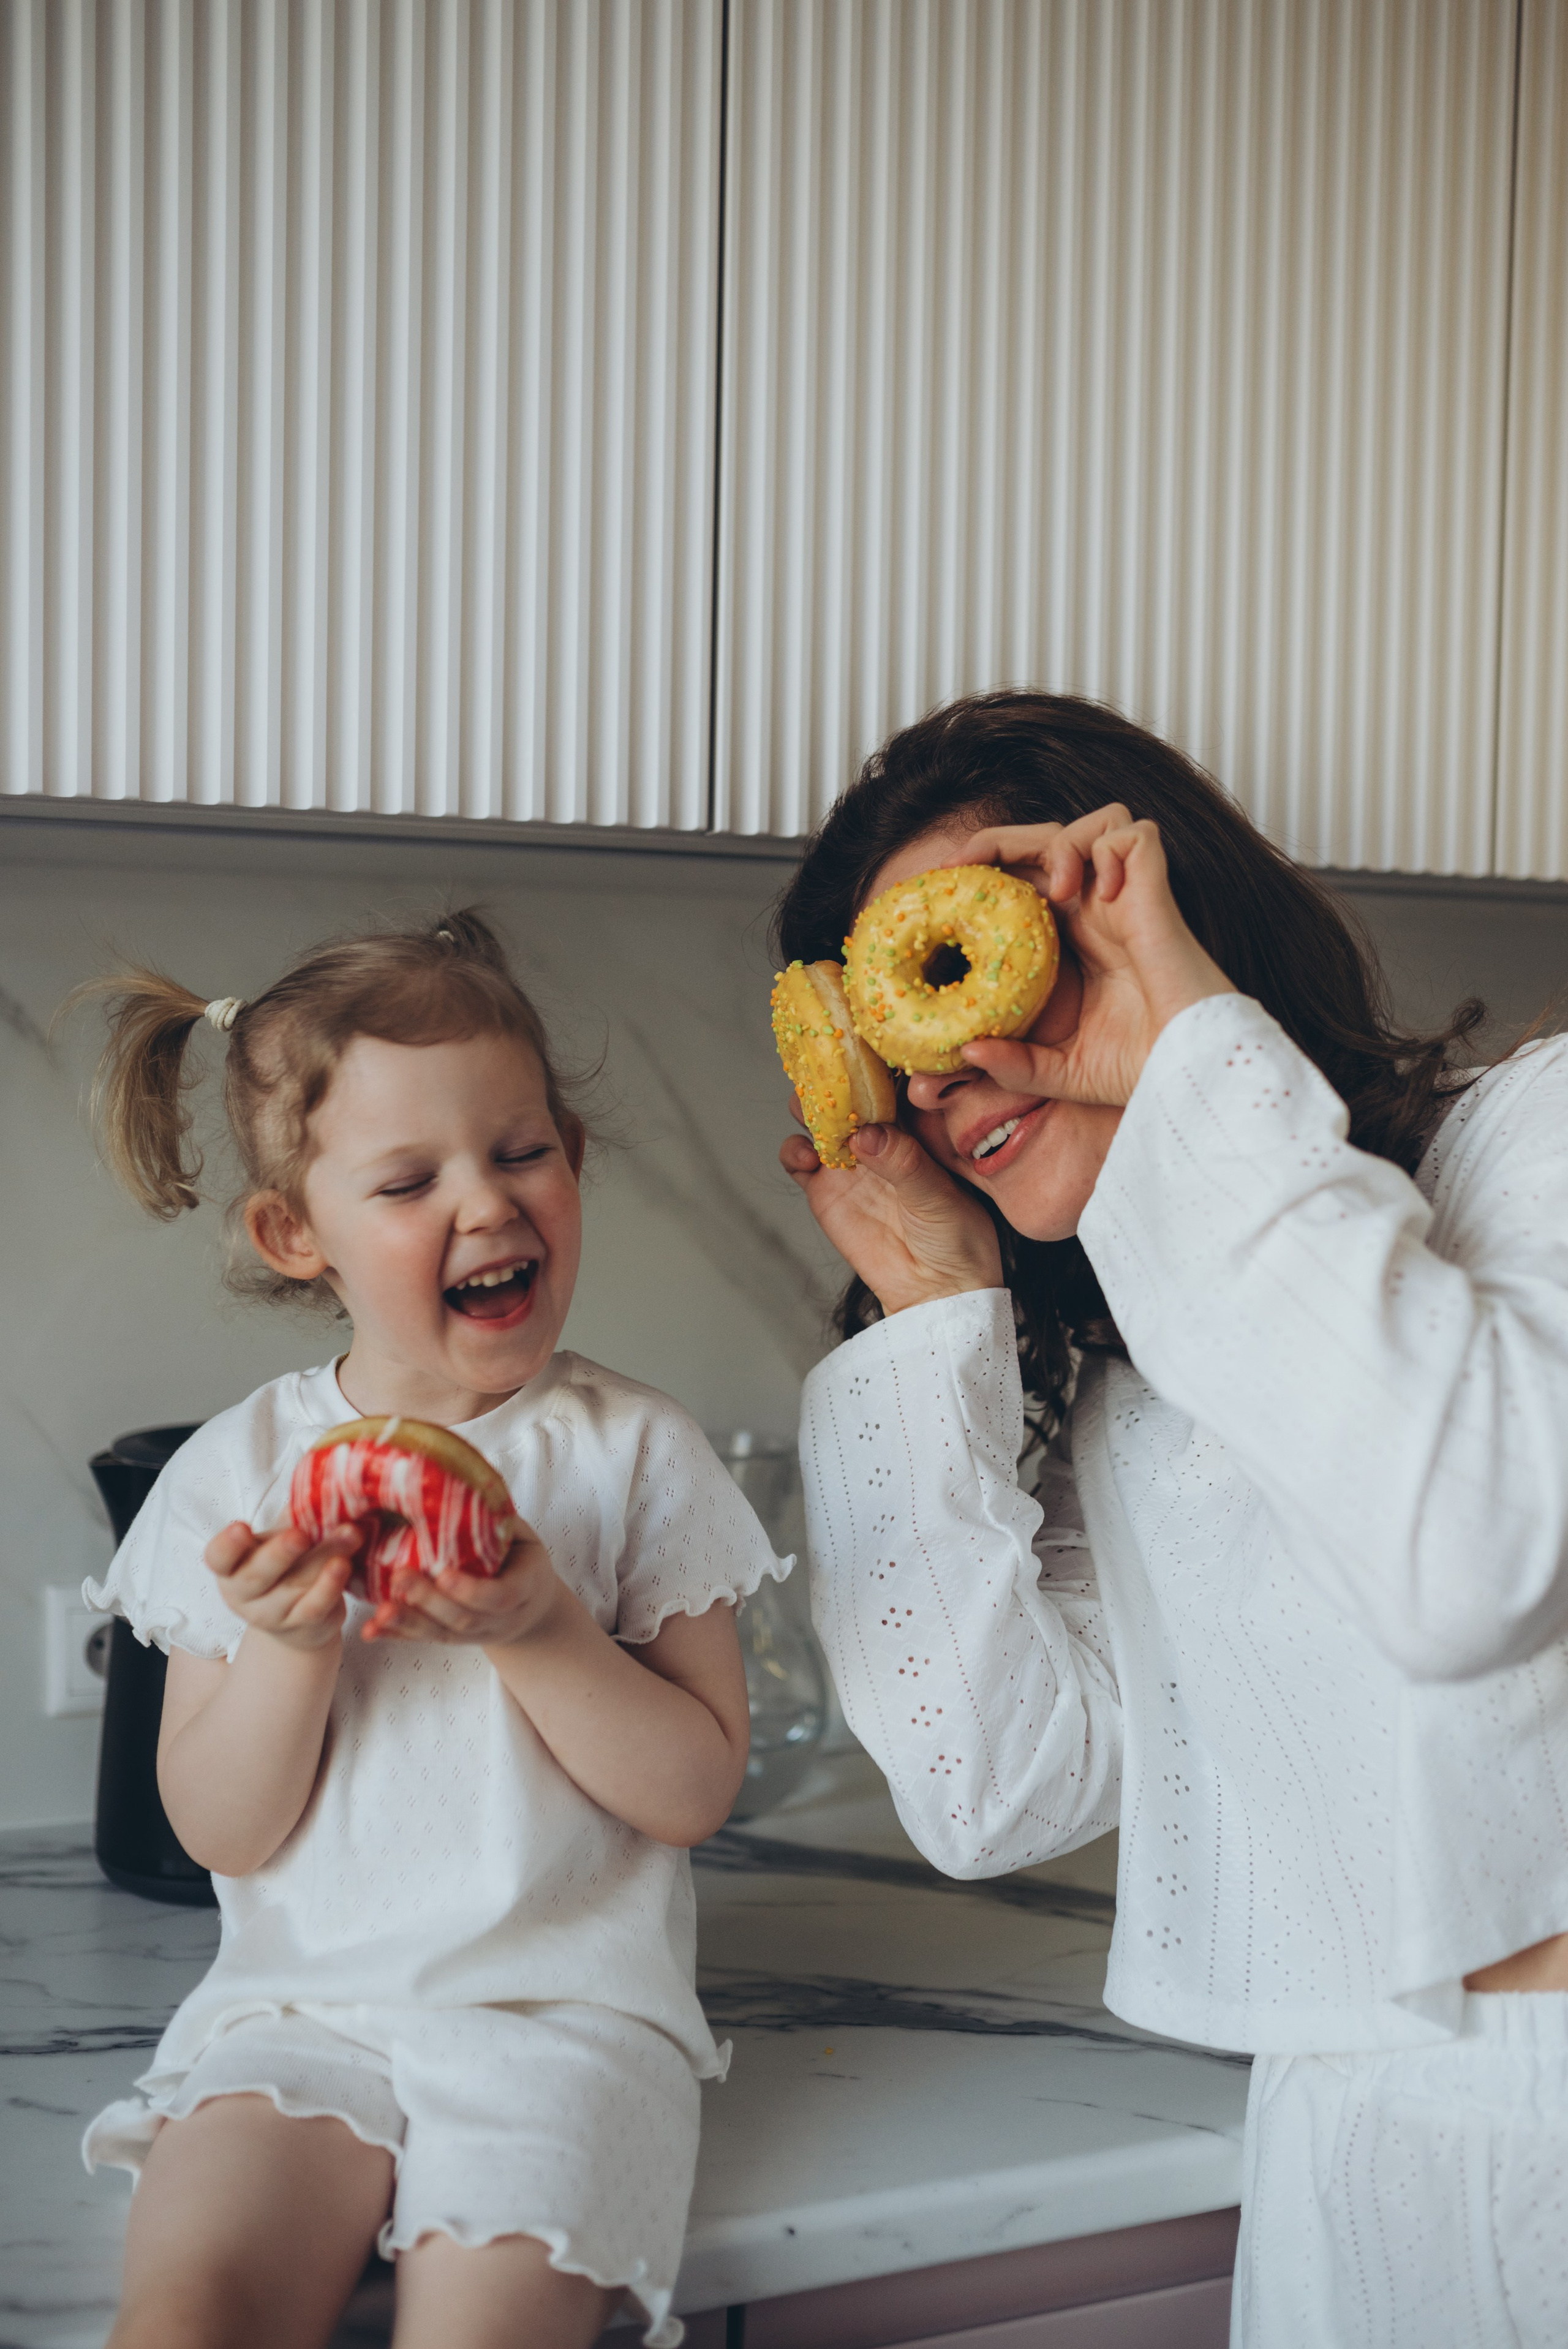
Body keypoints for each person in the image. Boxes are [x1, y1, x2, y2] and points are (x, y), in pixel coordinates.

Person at [777, 691, 1568, 2348]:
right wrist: (929, 1304)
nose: (951, 1070)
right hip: (1349, 2147)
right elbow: (996, 1783)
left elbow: (1471, 1551)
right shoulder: (1146, 1377)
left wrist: (1188, 1042)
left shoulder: (1539, 1142)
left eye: (993, 961)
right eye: (903, 1031)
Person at [76, 910, 783, 2349]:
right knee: (188, 2316)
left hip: (563, 2025)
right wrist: (289, 1646)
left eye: (520, 1151)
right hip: (296, 2017)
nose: (487, 1203)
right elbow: (219, 1827)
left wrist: (538, 1628)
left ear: (572, 1160)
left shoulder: (634, 1455)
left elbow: (694, 1786)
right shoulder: (241, 1475)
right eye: (409, 1179)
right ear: (295, 1233)